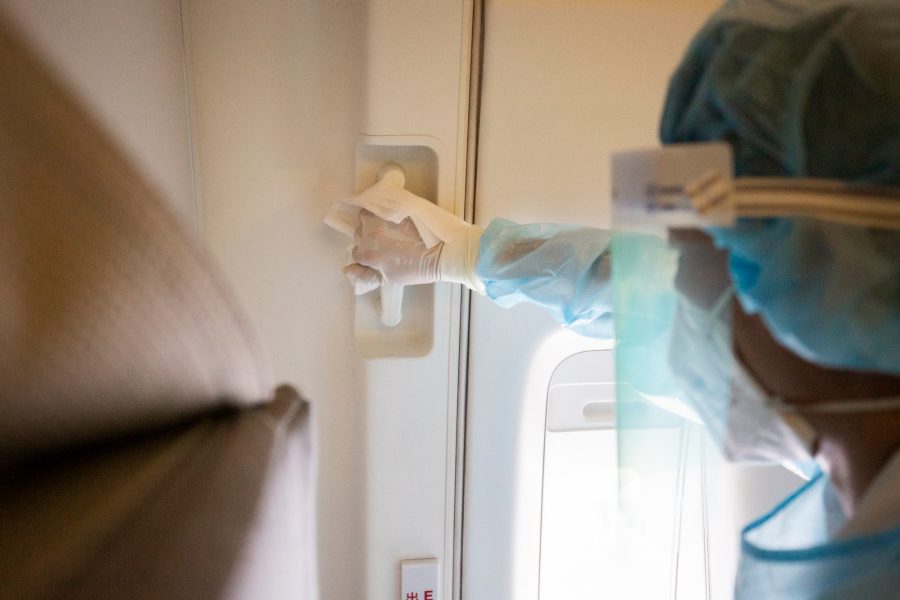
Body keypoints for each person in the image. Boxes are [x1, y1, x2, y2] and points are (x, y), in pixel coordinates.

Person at [336, 1, 900, 597]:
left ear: (831, 276)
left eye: (700, 263)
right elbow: (639, 295)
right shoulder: (856, 490)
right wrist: (464, 254)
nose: (680, 303)